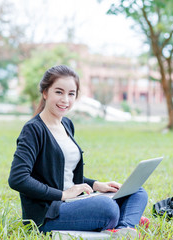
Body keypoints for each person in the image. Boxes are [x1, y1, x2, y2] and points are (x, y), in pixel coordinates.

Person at [8, 65, 149, 238]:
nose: (65, 100)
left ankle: (123, 228)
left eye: (71, 94)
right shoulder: (33, 130)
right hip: (48, 213)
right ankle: (124, 218)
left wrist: (97, 185)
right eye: (59, 92)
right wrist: (63, 194)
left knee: (136, 191)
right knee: (107, 208)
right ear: (45, 93)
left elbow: (63, 175)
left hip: (75, 200)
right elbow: (18, 179)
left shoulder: (66, 124)